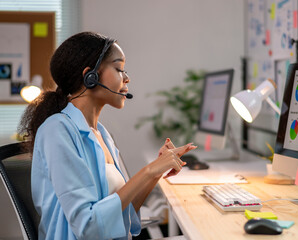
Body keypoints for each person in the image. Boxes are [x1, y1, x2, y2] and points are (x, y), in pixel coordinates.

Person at [18, 31, 197, 240]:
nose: (127, 78)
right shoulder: (57, 131)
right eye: (119, 69)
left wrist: (157, 171)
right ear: (90, 76)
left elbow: (122, 215)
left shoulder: (101, 134)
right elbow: (89, 227)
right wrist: (148, 171)